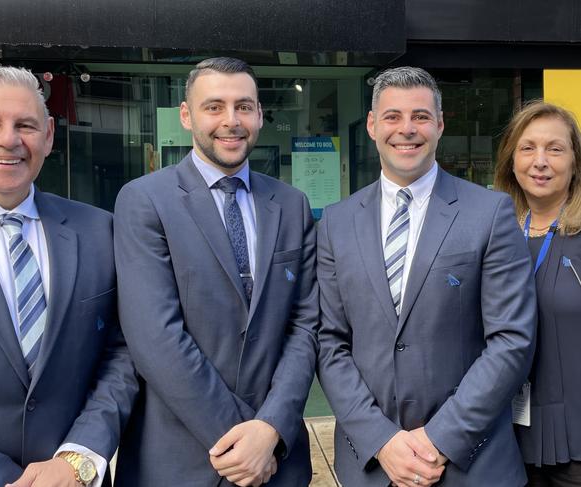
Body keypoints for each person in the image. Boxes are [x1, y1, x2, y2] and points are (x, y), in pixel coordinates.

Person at [316, 66, 537, 487]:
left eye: (420, 116)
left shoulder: (489, 213)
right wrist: (381, 440)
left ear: (439, 124)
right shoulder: (335, 223)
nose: (406, 129)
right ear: (372, 125)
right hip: (372, 466)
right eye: (393, 116)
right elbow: (330, 342)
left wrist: (439, 438)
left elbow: (512, 339)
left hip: (470, 463)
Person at [113, 57, 318, 486]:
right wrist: (242, 442)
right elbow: (156, 337)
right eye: (214, 107)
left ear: (260, 114)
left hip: (278, 459)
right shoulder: (145, 201)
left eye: (244, 106)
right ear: (186, 116)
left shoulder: (291, 203)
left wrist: (271, 429)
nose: (231, 121)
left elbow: (305, 325)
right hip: (180, 461)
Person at [0, 66, 137, 487]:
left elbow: (124, 352)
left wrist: (78, 459)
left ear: (48, 135)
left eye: (25, 125)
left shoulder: (99, 230)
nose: (8, 140)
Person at [494, 100, 581, 486]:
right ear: (511, 160)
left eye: (555, 148)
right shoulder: (491, 234)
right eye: (528, 148)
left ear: (576, 161)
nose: (540, 161)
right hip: (501, 438)